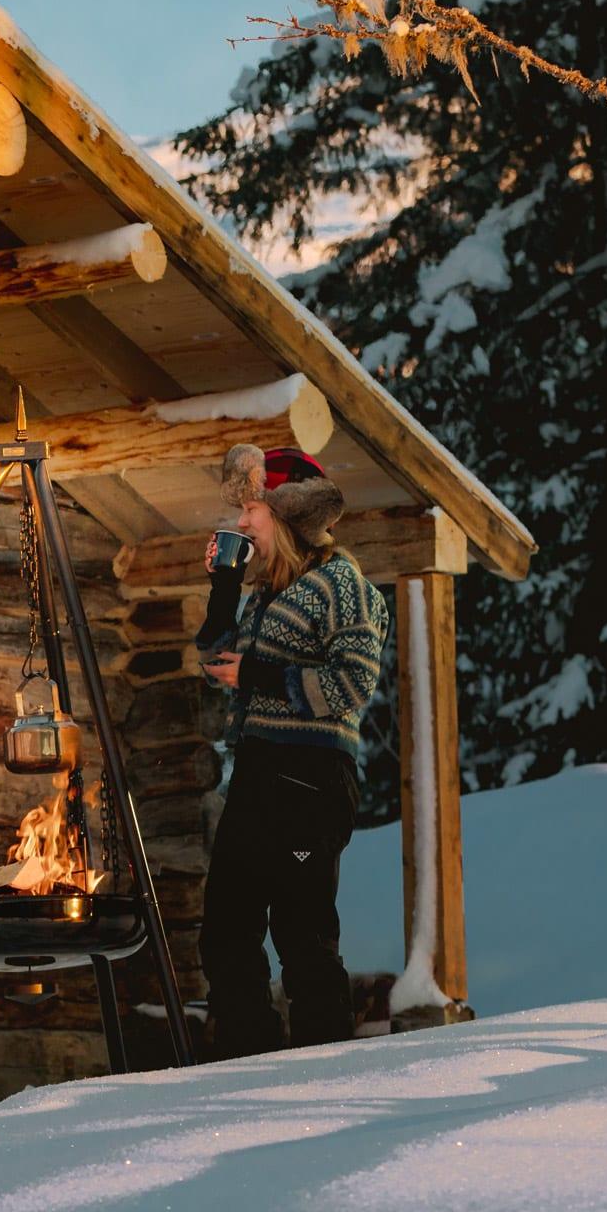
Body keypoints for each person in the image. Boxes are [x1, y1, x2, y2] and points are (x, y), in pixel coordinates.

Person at [195, 446, 390, 1058]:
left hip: (310, 777)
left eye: (252, 508)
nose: (243, 521)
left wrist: (256, 677)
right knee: (226, 931)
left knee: (302, 938)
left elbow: (351, 683)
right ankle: (246, 1065)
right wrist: (224, 585)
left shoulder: (341, 585)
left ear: (286, 513)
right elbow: (214, 664)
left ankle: (323, 1073)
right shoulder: (268, 594)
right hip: (257, 773)